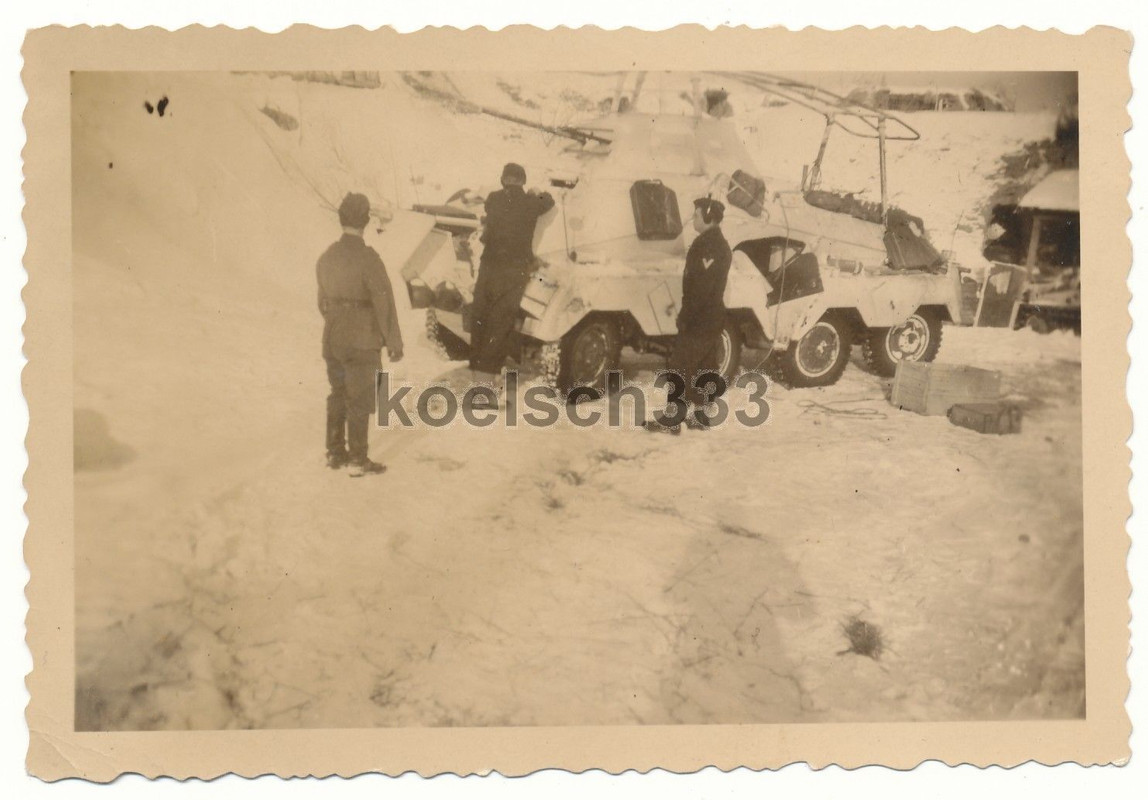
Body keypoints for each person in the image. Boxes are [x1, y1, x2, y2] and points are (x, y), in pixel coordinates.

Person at [317, 192, 404, 474]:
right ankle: (357, 459)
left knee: (337, 392)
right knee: (360, 396)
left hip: (333, 337)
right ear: (365, 221)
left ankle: (334, 453)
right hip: (361, 338)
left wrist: (337, 321)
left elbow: (322, 301)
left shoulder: (327, 256)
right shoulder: (369, 259)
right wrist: (393, 341)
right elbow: (384, 301)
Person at [650, 196, 732, 433]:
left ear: (708, 217)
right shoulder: (710, 242)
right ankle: (701, 417)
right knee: (705, 367)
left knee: (679, 365)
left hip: (701, 318)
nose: (693, 218)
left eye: (696, 214)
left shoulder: (711, 246)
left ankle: (673, 420)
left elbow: (701, 289)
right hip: (710, 317)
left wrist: (686, 317)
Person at [468, 162, 555, 385]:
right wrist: (536, 192)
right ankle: (484, 390)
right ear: (522, 181)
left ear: (503, 179)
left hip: (488, 268)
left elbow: (490, 205)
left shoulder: (493, 199)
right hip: (513, 271)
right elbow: (549, 200)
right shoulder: (530, 202)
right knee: (499, 324)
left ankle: (478, 379)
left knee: (481, 319)